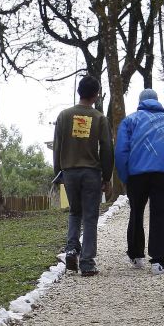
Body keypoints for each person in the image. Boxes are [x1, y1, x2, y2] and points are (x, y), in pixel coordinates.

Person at [115, 87, 164, 274]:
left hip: (136, 176)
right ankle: (159, 261)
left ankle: (136, 255)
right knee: (161, 214)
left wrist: (125, 176)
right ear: (157, 101)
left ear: (140, 102)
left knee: (136, 212)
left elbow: (122, 151)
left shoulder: (130, 120)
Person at [53, 74, 113, 277]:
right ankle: (87, 262)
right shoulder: (99, 118)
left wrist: (58, 172)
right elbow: (106, 148)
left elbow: (57, 147)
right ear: (96, 95)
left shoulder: (63, 116)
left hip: (69, 171)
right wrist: (107, 176)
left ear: (79, 92)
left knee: (74, 212)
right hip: (91, 173)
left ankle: (71, 249)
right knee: (90, 217)